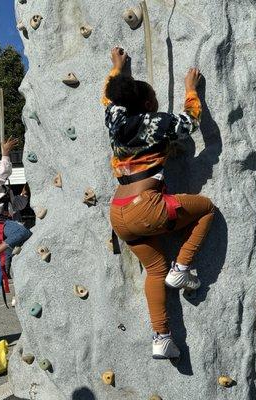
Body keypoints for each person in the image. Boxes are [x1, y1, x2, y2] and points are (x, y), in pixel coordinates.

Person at [102, 47, 216, 360]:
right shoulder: (156, 123)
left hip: (119, 212)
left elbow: (109, 99)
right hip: (146, 206)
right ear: (150, 104)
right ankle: (183, 266)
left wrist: (118, 69)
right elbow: (191, 121)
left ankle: (161, 337)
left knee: (154, 270)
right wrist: (191, 90)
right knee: (206, 209)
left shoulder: (115, 120)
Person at [0, 137, 32, 280]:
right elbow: (4, 171)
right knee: (22, 232)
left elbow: (17, 205)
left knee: (7, 265)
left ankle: (14, 293)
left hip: (6, 224)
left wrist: (25, 192)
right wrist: (5, 153)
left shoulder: (3, 191)